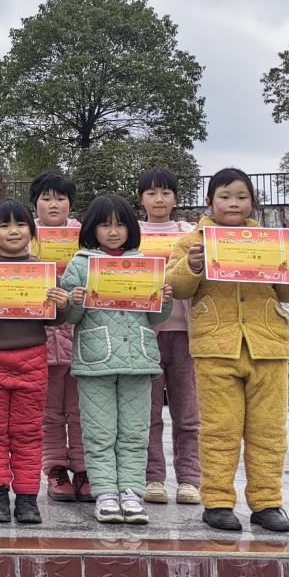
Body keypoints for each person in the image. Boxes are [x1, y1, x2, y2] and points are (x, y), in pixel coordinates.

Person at [168, 168, 289, 533]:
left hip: (268, 346)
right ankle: (217, 501)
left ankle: (267, 503)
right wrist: (193, 265)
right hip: (216, 347)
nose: (233, 203)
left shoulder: (269, 241)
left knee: (269, 431)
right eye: (225, 196)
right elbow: (175, 287)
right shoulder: (192, 242)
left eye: (241, 196)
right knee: (220, 429)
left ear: (252, 201)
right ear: (209, 201)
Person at [61, 194, 173, 526]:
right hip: (96, 361)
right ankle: (106, 491)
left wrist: (163, 300)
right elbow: (70, 317)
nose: (113, 232)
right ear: (92, 229)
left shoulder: (143, 263)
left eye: (120, 224)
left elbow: (155, 318)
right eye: (105, 225)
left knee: (135, 432)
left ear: (131, 228)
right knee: (99, 431)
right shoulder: (80, 264)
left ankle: (132, 493)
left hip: (139, 359)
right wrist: (75, 299)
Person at [0, 199, 69, 525]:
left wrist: (60, 304)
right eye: (5, 225)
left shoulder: (42, 271)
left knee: (27, 431)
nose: (13, 231)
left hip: (32, 357)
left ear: (31, 232)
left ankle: (26, 497)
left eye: (20, 224)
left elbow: (54, 320)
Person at [136, 168, 201, 506]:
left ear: (176, 197)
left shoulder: (192, 235)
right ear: (141, 198)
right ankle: (153, 478)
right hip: (145, 333)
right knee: (147, 414)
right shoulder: (131, 235)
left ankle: (190, 479)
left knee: (188, 413)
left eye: (165, 192)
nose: (158, 199)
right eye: (151, 193)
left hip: (186, 333)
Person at [31, 172, 90, 502]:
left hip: (81, 334)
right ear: (35, 203)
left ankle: (83, 468)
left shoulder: (86, 239)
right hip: (41, 337)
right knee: (49, 412)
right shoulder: (26, 237)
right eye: (46, 198)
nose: (53, 205)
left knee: (81, 408)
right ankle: (54, 468)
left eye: (60, 198)